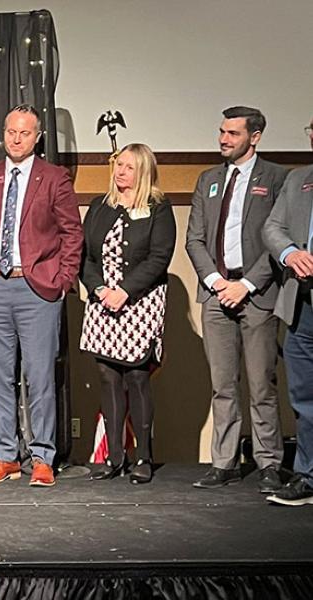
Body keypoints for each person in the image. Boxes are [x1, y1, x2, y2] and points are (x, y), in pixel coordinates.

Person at [0, 104, 83, 488]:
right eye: (11, 132)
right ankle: (5, 456)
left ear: (37, 137)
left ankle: (42, 456)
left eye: (24, 133)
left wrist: (62, 279)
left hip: (38, 289)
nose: (16, 139)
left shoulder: (54, 178)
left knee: (39, 375)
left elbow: (71, 233)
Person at [186, 107, 289, 492]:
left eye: (232, 133)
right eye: (221, 132)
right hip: (216, 293)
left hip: (257, 294)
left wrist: (246, 284)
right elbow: (194, 238)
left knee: (262, 383)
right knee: (222, 384)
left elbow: (279, 236)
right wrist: (215, 281)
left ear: (255, 136)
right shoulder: (208, 179)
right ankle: (224, 462)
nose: (224, 139)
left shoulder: (277, 178)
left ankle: (268, 463)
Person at [79, 144, 176, 484]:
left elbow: (159, 257)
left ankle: (143, 458)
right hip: (103, 301)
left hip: (140, 302)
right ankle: (114, 458)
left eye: (129, 167)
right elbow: (85, 258)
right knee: (108, 377)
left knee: (136, 377)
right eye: (118, 165)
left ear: (144, 172)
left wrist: (125, 291)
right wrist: (101, 290)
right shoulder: (99, 206)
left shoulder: (158, 208)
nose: (120, 172)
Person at [261, 115, 313, 506]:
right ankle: (308, 475)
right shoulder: (298, 180)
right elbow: (272, 228)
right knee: (304, 396)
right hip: (302, 303)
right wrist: (289, 252)